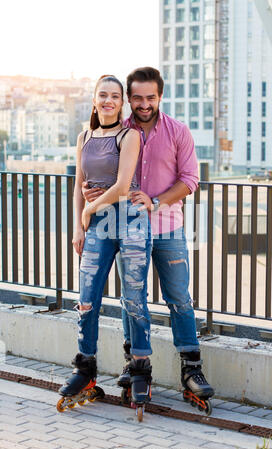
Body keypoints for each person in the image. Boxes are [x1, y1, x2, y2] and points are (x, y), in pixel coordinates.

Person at [82, 67, 214, 407]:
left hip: (167, 226)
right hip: (124, 229)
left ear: (160, 97)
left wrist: (156, 201)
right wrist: (90, 192)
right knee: (131, 298)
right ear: (129, 98)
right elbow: (105, 176)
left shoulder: (178, 132)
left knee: (179, 298)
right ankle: (134, 363)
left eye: (150, 98)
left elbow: (190, 179)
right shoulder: (117, 132)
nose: (143, 104)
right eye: (137, 98)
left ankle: (191, 369)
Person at [58, 75, 152, 411]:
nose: (109, 101)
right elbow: (77, 187)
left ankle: (141, 369)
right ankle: (85, 368)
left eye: (115, 96)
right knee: (86, 299)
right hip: (95, 226)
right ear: (95, 100)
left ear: (121, 102)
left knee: (135, 299)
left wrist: (91, 210)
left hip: (129, 221)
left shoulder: (129, 136)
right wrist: (79, 226)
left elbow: (123, 186)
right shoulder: (84, 136)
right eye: (103, 95)